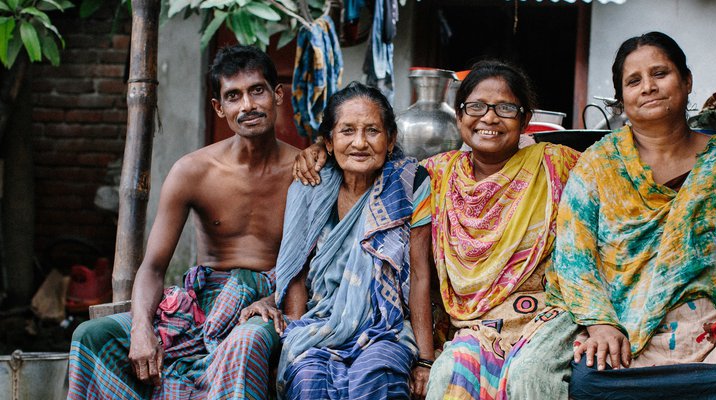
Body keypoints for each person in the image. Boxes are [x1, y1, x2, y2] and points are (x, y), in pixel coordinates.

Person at [295, 60, 582, 400]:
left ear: (525, 118)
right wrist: (317, 150)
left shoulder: (558, 165)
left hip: (544, 320)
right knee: (449, 376)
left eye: (505, 108)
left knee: (529, 378)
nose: (489, 118)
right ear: (458, 115)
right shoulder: (436, 174)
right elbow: (375, 163)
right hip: (473, 328)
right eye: (475, 107)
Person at [550, 32, 716, 400]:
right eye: (634, 81)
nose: (648, 87)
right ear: (621, 100)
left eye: (660, 73)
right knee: (590, 383)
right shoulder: (597, 167)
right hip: (629, 333)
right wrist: (600, 325)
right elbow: (574, 260)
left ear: (687, 81)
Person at [67, 45, 300, 399]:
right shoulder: (192, 171)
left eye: (257, 90)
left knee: (246, 341)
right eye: (233, 96)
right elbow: (153, 267)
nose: (248, 106)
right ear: (218, 108)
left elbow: (322, 261)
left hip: (272, 305)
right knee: (91, 336)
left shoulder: (306, 171)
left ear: (277, 94)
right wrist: (142, 328)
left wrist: (274, 297)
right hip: (201, 305)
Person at [242, 82, 419, 399]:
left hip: (385, 328)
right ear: (328, 141)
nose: (360, 143)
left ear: (391, 139)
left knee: (376, 374)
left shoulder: (407, 184)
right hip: (320, 322)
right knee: (310, 378)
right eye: (347, 131)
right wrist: (297, 329)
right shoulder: (310, 187)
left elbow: (420, 274)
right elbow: (296, 269)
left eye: (373, 131)